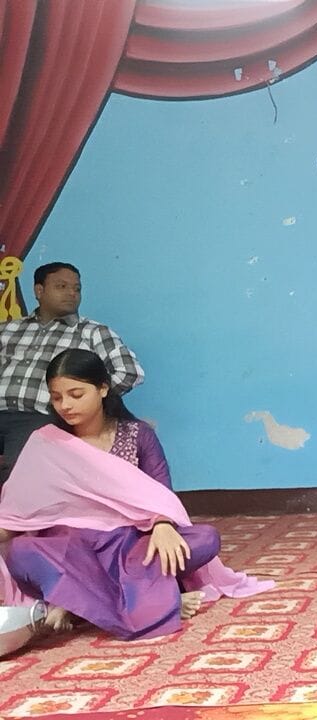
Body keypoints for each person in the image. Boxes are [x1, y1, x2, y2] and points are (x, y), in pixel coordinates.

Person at [0, 349, 271, 654]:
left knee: (204, 539)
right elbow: (17, 513)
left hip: (129, 548)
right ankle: (159, 603)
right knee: (21, 551)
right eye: (56, 397)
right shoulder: (46, 443)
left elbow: (161, 494)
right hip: (71, 550)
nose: (65, 405)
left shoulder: (137, 434)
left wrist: (163, 525)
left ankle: (76, 603)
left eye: (76, 394)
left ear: (103, 388)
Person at [0, 262, 144, 483]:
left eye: (77, 288)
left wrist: (82, 401)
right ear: (39, 291)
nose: (72, 293)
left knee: (21, 470)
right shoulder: (9, 330)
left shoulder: (91, 332)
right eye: (62, 286)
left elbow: (130, 373)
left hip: (41, 416)